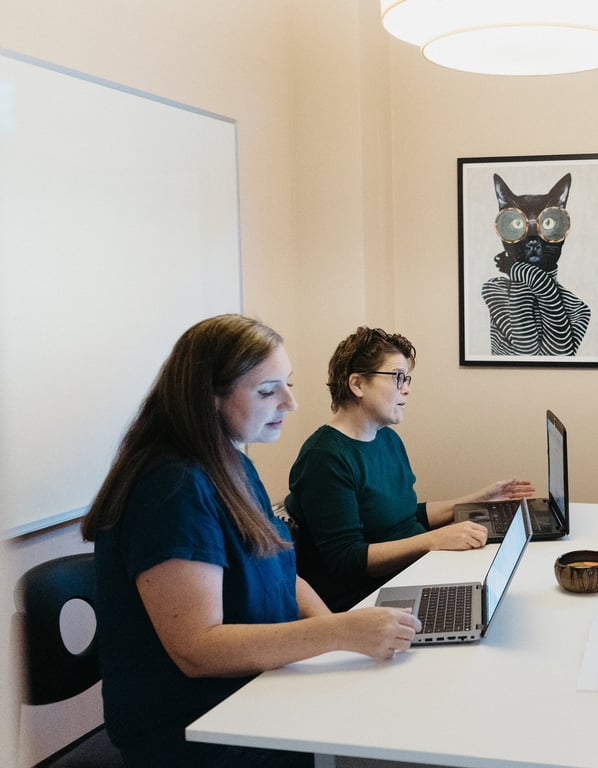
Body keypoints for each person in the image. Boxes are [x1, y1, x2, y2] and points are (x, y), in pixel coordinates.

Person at [81, 315, 421, 768]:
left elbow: (280, 564)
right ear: (210, 398)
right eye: (268, 391)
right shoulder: (171, 488)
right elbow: (197, 649)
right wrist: (338, 632)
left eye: (288, 384)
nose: (290, 402)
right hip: (200, 729)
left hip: (257, 690)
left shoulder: (231, 465)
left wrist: (344, 636)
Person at [285, 326, 534, 611]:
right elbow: (347, 560)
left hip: (414, 573)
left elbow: (405, 516)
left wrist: (480, 499)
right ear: (357, 384)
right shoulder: (324, 457)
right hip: (369, 601)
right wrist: (434, 541)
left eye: (407, 378)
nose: (407, 388)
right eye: (397, 378)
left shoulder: (387, 438)